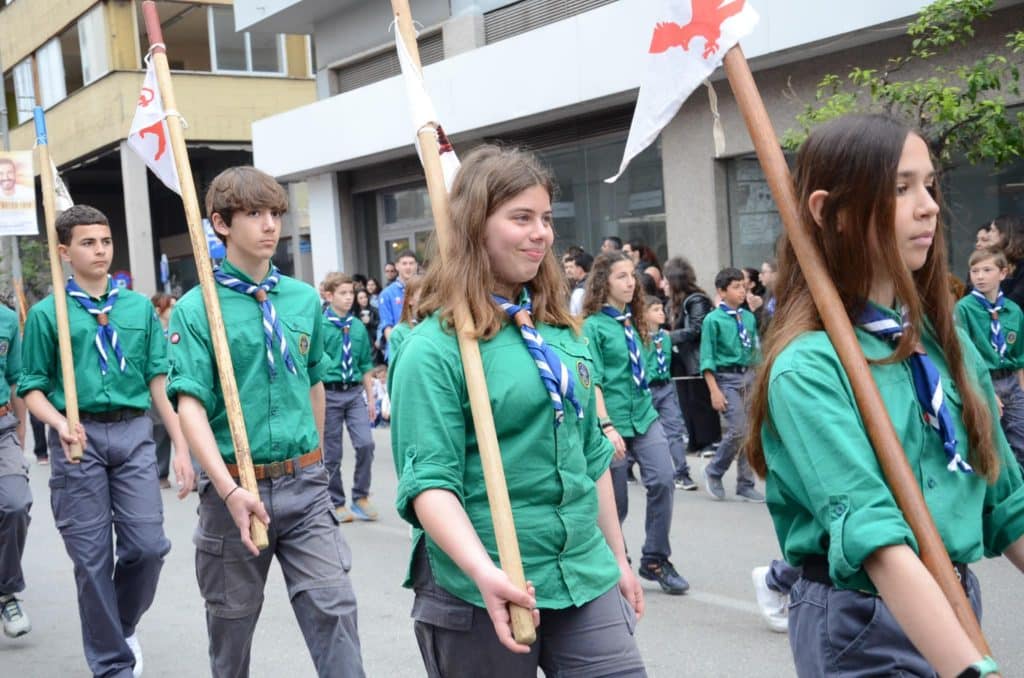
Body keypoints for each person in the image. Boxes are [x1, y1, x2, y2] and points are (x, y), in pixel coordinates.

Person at [747, 113, 1024, 677]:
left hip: (952, 598)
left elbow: (1006, 503)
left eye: (929, 185)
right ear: (832, 212)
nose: (929, 206)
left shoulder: (947, 343)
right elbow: (875, 538)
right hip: (862, 621)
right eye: (901, 189)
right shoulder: (807, 367)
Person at [390, 145, 646, 677]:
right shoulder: (432, 349)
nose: (542, 234)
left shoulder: (561, 335)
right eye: (521, 218)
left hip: (581, 570)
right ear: (474, 227)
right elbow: (429, 485)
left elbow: (590, 457)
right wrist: (485, 573)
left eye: (546, 219)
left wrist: (618, 560)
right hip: (479, 582)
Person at [166, 167, 364, 677]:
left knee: (335, 612)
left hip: (305, 488)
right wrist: (229, 490)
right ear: (220, 224)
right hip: (234, 493)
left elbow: (314, 380)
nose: (270, 225)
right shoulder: (196, 309)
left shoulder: (300, 299)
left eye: (275, 213)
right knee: (230, 630)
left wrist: (315, 458)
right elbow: (189, 403)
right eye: (254, 214)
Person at [19, 204, 194, 677]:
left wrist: (180, 446)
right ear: (64, 252)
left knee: (149, 546)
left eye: (105, 241)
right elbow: (31, 386)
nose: (100, 250)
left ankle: (119, 623)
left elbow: (159, 380)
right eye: (88, 243)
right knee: (91, 558)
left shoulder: (136, 307)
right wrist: (57, 423)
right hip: (78, 439)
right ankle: (113, 665)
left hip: (134, 433)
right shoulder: (46, 313)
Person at [583, 251, 689, 595]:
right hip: (611, 422)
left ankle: (655, 559)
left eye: (632, 275)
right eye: (621, 276)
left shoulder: (636, 321)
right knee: (616, 501)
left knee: (663, 479)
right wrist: (606, 426)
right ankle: (614, 559)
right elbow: (594, 380)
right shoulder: (593, 326)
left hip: (645, 416)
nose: (630, 282)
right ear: (604, 283)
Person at [700, 267, 764, 502]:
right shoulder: (712, 320)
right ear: (721, 291)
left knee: (751, 431)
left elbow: (755, 349)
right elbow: (707, 357)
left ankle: (745, 483)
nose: (741, 291)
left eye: (743, 287)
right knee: (738, 429)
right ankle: (714, 470)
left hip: (749, 376)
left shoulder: (747, 317)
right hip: (726, 379)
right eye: (736, 287)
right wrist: (714, 390)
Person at [956, 247, 1024, 468]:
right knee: (992, 444)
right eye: (975, 271)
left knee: (1021, 442)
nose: (980, 276)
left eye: (987, 270)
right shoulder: (964, 309)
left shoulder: (1014, 311)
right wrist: (983, 388)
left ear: (1003, 273)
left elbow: (1020, 354)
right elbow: (962, 354)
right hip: (984, 381)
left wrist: (1021, 390)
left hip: (1012, 383)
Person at [320, 272, 378, 523]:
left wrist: (371, 399)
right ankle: (336, 500)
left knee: (366, 443)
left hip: (354, 392)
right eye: (342, 293)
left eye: (350, 293)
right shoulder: (320, 326)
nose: (348, 298)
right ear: (329, 295)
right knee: (332, 453)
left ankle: (361, 496)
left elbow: (365, 364)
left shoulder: (356, 327)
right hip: (330, 393)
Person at [662, 257, 721, 452]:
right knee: (687, 401)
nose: (662, 284)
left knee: (699, 401)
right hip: (682, 360)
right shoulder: (673, 303)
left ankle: (710, 441)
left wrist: (669, 337)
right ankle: (695, 440)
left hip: (696, 358)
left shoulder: (696, 300)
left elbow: (697, 328)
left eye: (665, 279)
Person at [642, 295, 695, 490]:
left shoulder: (665, 337)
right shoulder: (638, 339)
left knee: (674, 429)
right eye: (655, 310)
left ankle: (682, 472)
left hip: (665, 387)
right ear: (644, 314)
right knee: (642, 429)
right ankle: (631, 465)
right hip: (646, 390)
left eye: (661, 309)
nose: (661, 313)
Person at [0, 300, 29, 640]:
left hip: (3, 428)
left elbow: (16, 378)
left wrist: (21, 431)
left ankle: (7, 591)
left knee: (15, 504)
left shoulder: (7, 319)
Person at [149, 293, 176, 490]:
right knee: (160, 430)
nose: (173, 311)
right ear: (159, 310)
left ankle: (195, 473)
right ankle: (160, 472)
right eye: (170, 307)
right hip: (157, 388)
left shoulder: (178, 329)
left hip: (177, 384)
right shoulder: (152, 330)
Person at [378, 249, 419, 361]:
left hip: (420, 348)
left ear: (416, 266)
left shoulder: (423, 291)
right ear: (397, 266)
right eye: (404, 263)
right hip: (399, 351)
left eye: (411, 263)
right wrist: (398, 350)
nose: (408, 267)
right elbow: (387, 327)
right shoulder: (387, 294)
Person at [989, 215, 1024, 307]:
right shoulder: (991, 260)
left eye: (993, 230)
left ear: (1005, 234)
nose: (989, 234)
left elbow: (1017, 298)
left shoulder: (1021, 264)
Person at [567, 251, 592, 316]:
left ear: (579, 269)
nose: (571, 270)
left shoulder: (579, 291)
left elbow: (574, 316)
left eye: (573, 267)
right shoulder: (599, 285)